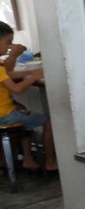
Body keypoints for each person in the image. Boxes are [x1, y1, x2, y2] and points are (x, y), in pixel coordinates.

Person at [0, 22, 56, 172]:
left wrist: (30, 73)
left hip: (5, 113)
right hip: (5, 116)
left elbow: (9, 74)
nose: (9, 47)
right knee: (48, 121)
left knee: (24, 110)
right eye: (8, 43)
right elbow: (16, 89)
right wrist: (35, 76)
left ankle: (27, 159)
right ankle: (51, 162)